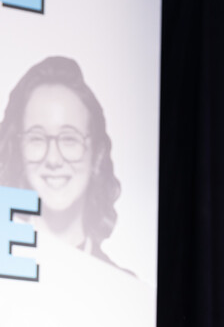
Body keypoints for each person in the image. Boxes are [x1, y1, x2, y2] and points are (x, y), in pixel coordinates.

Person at [0, 56, 128, 273]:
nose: (53, 159)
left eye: (69, 139)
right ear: (19, 149)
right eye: (37, 138)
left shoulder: (123, 289)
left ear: (97, 154)